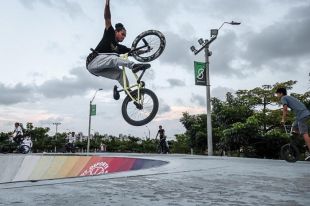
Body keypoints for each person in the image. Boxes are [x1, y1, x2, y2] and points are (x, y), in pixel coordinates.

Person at [86, 0, 150, 100]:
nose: (123, 37)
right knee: (114, 58)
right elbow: (107, 18)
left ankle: (130, 95)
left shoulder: (120, 48)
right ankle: (133, 66)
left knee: (120, 74)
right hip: (93, 62)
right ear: (116, 32)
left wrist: (146, 51)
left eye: (125, 36)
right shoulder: (110, 33)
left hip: (99, 70)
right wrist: (107, 3)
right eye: (122, 34)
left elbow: (133, 52)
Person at [276, 88, 310, 160]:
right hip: (301, 116)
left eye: (277, 94)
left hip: (302, 115)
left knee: (304, 133)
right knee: (294, 129)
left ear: (281, 93)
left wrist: (283, 119)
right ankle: (303, 145)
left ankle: (308, 148)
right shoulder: (289, 97)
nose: (277, 96)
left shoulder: (283, 98)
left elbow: (285, 109)